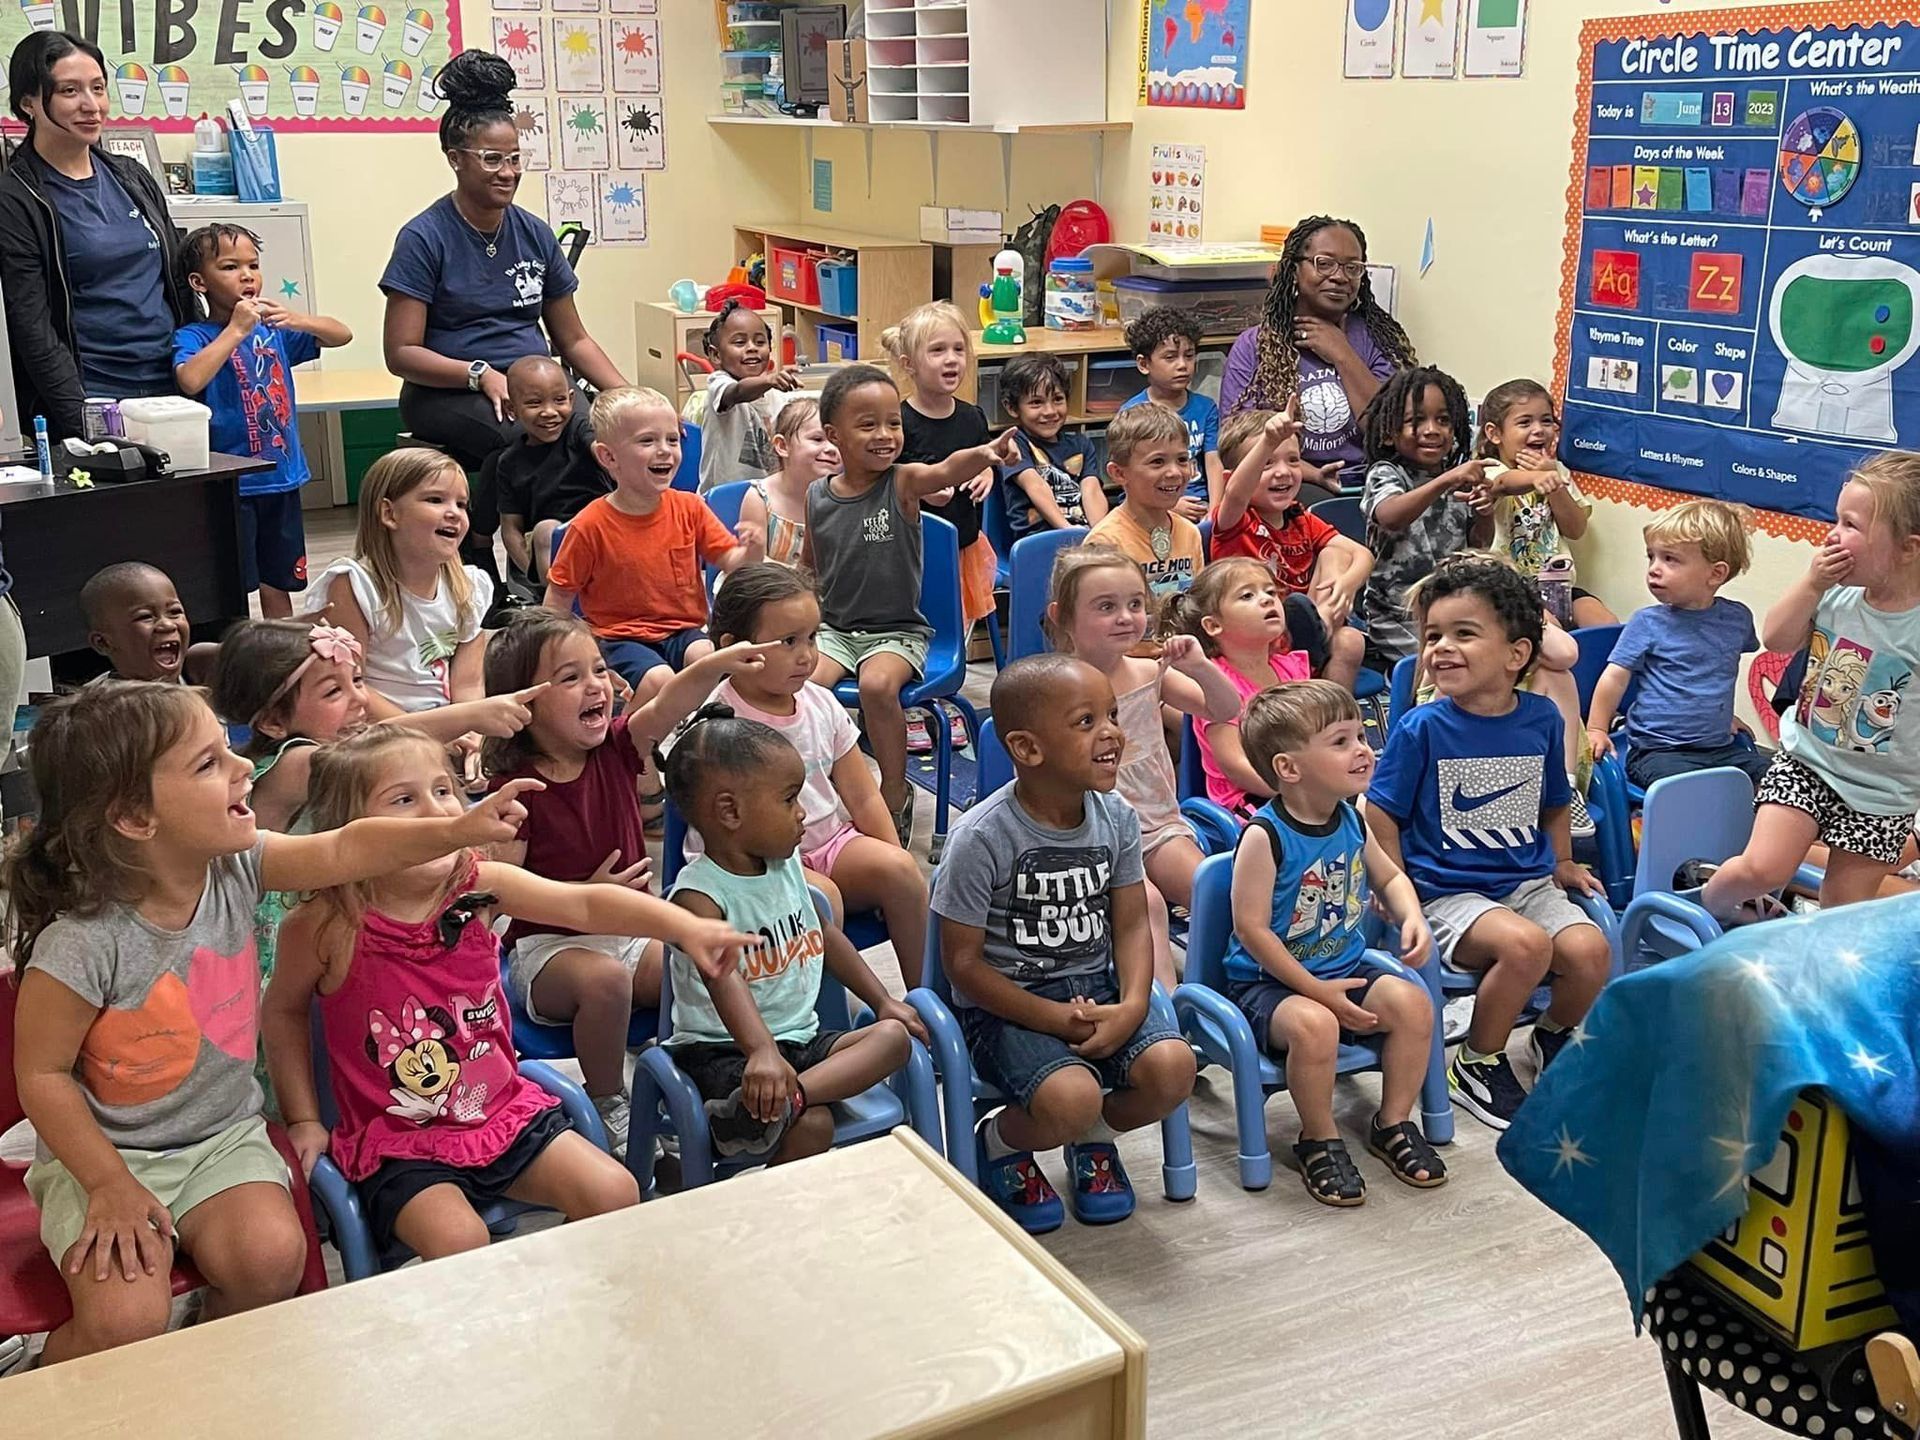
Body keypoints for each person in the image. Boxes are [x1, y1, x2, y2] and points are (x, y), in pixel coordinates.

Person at [4, 683, 538, 1361]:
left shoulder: (239, 865)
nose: (239, 768)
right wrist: (108, 1185)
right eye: (207, 763)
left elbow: (348, 848)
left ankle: (202, 1365)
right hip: (106, 1159)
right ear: (135, 816)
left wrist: (455, 831)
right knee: (124, 1320)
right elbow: (41, 1074)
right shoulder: (81, 944)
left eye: (228, 750)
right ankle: (41, 1392)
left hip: (222, 1141)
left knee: (271, 1259)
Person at [263, 726, 751, 1263]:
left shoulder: (479, 886)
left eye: (444, 791)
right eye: (404, 799)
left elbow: (585, 906)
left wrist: (683, 927)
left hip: (502, 1113)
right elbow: (282, 1013)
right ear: (350, 831)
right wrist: (305, 1119)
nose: (437, 812)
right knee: (461, 1242)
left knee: (616, 1192)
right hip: (401, 1142)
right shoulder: (325, 924)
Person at [480, 607, 774, 1153]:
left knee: (697, 961)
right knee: (604, 983)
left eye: (597, 670)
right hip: (551, 950)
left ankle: (707, 1071)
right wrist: (585, 895)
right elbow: (492, 902)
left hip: (633, 935)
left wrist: (719, 664)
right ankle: (609, 1097)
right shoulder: (516, 790)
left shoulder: (619, 748)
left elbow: (667, 704)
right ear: (522, 705)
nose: (596, 686)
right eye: (570, 678)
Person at [932, 655, 1196, 1235]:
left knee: (1174, 1069)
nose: (1111, 733)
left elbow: (1131, 924)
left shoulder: (1118, 816)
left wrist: (1131, 1004)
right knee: (1070, 1098)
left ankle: (1093, 1139)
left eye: (1111, 715)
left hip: (1100, 989)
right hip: (1012, 1006)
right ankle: (1002, 1144)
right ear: (1028, 749)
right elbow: (964, 966)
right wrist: (1051, 1016)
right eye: (1085, 722)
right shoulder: (981, 836)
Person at [1366, 560, 1613, 1131]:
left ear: (1516, 654)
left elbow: (1555, 798)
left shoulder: (1542, 717)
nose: (1441, 648)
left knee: (1591, 952)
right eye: (1433, 636)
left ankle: (1551, 1037)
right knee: (1526, 948)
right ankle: (1477, 1060)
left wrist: (1565, 863)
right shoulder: (1421, 727)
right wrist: (1394, 887)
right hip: (1445, 893)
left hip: (1526, 882)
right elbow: (1378, 812)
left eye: (1463, 634)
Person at [379, 50, 625, 575]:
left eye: (514, 158)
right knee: (523, 436)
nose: (508, 172)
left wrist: (625, 398)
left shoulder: (534, 231)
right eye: (492, 159)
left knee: (599, 435)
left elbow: (573, 339)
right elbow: (401, 353)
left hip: (535, 383)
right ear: (455, 157)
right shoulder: (425, 237)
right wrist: (478, 374)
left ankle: (577, 555)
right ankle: (486, 554)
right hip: (446, 391)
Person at [660, 706, 928, 1162]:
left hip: (800, 1043)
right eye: (789, 799)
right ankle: (769, 1121)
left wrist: (883, 1000)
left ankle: (788, 1100)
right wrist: (761, 1051)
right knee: (817, 1125)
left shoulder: (785, 867)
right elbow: (724, 978)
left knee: (892, 1038)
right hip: (723, 1054)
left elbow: (822, 934)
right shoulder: (698, 897)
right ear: (730, 811)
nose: (803, 814)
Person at [1225, 682, 1443, 1206]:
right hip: (1267, 986)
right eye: (1341, 741)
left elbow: (1390, 878)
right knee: (1317, 1027)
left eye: (1362, 735)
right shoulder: (1265, 836)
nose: (1363, 749)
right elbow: (1252, 931)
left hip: (1344, 968)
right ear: (1289, 768)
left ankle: (1392, 1123)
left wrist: (1412, 915)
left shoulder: (1350, 817)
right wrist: (1317, 993)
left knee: (1414, 1005)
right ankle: (1318, 1138)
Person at [802, 363, 1018, 845]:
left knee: (879, 686)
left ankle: (893, 791)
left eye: (892, 423)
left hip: (897, 631)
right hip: (835, 631)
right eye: (867, 425)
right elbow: (809, 566)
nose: (885, 435)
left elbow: (943, 470)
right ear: (834, 435)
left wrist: (983, 454)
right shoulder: (816, 495)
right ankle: (814, 791)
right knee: (801, 687)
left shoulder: (900, 484)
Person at [1702, 454, 1920, 923]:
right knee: (1762, 867)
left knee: (1841, 911)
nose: (1833, 534)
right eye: (1835, 518)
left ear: (1908, 548)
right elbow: (1776, 639)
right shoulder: (1836, 592)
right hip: (1808, 762)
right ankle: (1703, 910)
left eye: (1851, 524)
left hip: (1885, 794)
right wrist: (1811, 583)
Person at [708, 563, 932, 988]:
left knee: (902, 871)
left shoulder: (820, 703)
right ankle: (824, 1028)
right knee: (821, 899)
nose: (807, 654)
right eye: (789, 641)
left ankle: (932, 1007)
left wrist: (891, 852)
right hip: (754, 866)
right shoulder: (721, 719)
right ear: (734, 648)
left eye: (812, 637)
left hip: (827, 845)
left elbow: (863, 798)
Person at [1046, 545, 1241, 987]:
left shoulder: (1148, 671)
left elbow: (1226, 708)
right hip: (1089, 837)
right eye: (1106, 607)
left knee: (1213, 889)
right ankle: (1164, 1018)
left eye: (1135, 604)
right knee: (1148, 905)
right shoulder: (1052, 687)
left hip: (1155, 824)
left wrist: (1200, 666)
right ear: (1062, 615)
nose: (1125, 617)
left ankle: (1227, 990)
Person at [0, 30, 188, 442]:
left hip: (172, 391)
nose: (91, 105)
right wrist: (84, 422)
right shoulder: (16, 197)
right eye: (70, 91)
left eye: (98, 88)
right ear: (28, 103)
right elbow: (31, 325)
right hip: (97, 400)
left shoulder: (130, 176)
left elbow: (175, 280)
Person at [173, 223, 352, 620]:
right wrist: (235, 330)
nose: (247, 275)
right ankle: (237, 653)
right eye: (230, 267)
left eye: (253, 265)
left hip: (282, 477)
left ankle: (280, 647)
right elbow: (190, 378)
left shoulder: (274, 331)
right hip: (233, 484)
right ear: (199, 282)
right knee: (231, 582)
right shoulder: (196, 336)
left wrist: (298, 320)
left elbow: (343, 335)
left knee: (280, 577)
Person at [544, 385, 762, 694]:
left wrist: (752, 551)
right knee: (659, 679)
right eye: (647, 440)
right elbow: (558, 600)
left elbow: (732, 563)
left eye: (672, 439)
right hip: (618, 638)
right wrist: (560, 658)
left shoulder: (690, 507)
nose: (665, 450)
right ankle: (642, 737)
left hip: (684, 631)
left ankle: (694, 732)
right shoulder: (589, 525)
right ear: (608, 456)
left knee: (709, 660)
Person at [1219, 216, 1416, 486]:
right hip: (1285, 484)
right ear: (1294, 271)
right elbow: (1237, 445)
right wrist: (1312, 475)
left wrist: (1342, 353)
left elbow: (1389, 432)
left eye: (1352, 267)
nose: (1339, 277)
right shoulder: (1254, 346)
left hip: (1373, 485)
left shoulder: (1377, 340)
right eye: (1324, 264)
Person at [1587, 500, 1770, 790]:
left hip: (1718, 749)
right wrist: (1596, 727)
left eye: (1670, 559)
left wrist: (1720, 716)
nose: (1654, 569)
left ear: (1716, 574)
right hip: (1659, 752)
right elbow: (1614, 677)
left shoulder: (1737, 619)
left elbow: (1717, 671)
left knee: (1780, 783)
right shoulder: (1647, 622)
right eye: (1651, 557)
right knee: (1688, 792)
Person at [302, 448, 492, 714]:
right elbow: (350, 686)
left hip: (446, 724)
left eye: (461, 504)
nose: (454, 513)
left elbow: (469, 686)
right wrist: (426, 735)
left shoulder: (469, 587)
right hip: (377, 729)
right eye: (436, 500)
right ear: (389, 514)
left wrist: (471, 732)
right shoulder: (354, 585)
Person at [1212, 405, 1371, 689]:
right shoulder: (1235, 520)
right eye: (1266, 464)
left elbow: (1362, 554)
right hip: (1257, 635)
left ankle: (1333, 715)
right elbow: (1236, 492)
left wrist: (1346, 585)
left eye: (1293, 460)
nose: (1283, 473)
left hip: (1306, 629)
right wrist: (1268, 440)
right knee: (1308, 597)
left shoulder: (1301, 518)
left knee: (1351, 640)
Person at [1357, 365, 1494, 666]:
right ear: (1390, 434)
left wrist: (1485, 512)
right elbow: (1391, 516)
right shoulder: (1386, 473)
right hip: (1396, 615)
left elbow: (1479, 544)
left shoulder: (1456, 476)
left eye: (1443, 420)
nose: (1432, 430)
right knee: (1446, 666)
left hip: (1453, 608)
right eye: (1416, 421)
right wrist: (1447, 481)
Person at [888, 302, 1001, 643]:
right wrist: (920, 490)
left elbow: (986, 461)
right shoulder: (898, 422)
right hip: (913, 553)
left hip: (964, 545)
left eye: (958, 349)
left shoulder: (973, 417)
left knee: (956, 630)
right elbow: (884, 481)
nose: (951, 359)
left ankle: (951, 680)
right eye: (937, 351)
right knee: (921, 627)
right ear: (909, 364)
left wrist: (987, 475)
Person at [1170, 557, 1312, 818]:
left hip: (1297, 780)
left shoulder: (1291, 667)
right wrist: (1295, 787)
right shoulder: (1215, 684)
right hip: (1248, 800)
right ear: (1213, 625)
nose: (1268, 600)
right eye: (1247, 596)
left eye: (1270, 592)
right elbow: (1234, 765)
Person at [1477, 379, 1616, 629]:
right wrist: (1537, 477)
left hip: (1559, 586)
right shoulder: (1488, 469)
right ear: (1494, 433)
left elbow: (1575, 529)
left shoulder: (1556, 472)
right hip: (1510, 593)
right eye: (1525, 422)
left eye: (1546, 420)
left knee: (1606, 625)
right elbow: (1504, 484)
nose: (1539, 430)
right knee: (1552, 632)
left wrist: (1554, 484)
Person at [488, 355, 608, 587]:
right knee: (546, 531)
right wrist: (532, 575)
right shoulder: (509, 462)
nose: (549, 411)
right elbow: (511, 529)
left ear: (571, 401)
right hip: (552, 544)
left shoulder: (579, 428)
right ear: (512, 407)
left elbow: (600, 450)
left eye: (559, 400)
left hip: (599, 524)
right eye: (534, 403)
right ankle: (555, 602)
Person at [1086, 402, 1205, 598]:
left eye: (1182, 460)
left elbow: (1196, 605)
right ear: (1118, 473)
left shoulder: (1190, 533)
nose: (1175, 472)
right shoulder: (1105, 543)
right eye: (1157, 461)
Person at [1120, 306, 1221, 520]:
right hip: (1152, 506)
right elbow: (1130, 477)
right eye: (1170, 357)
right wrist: (1170, 506)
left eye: (1189, 356)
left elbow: (1213, 462)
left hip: (1200, 505)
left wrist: (1215, 512)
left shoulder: (1207, 408)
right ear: (1144, 364)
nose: (1182, 365)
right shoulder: (1132, 413)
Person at [997, 353, 1106, 538]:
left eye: (1057, 399)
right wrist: (1066, 530)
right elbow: (1036, 486)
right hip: (1039, 540)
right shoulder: (1015, 444)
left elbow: (1092, 490)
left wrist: (1099, 534)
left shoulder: (1082, 444)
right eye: (1036, 402)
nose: (1050, 411)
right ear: (1012, 408)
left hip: (1083, 539)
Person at [700, 298, 801, 492]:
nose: (752, 347)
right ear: (716, 355)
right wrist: (769, 380)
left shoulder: (776, 397)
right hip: (723, 500)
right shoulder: (718, 384)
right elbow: (737, 392)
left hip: (766, 496)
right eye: (740, 342)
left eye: (760, 342)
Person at [738, 396, 837, 569]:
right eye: (817, 439)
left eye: (836, 440)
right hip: (768, 589)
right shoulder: (759, 499)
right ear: (782, 446)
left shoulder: (842, 498)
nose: (831, 449)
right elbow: (752, 562)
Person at [80, 562, 206, 684]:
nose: (168, 625)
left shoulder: (204, 673)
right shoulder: (98, 703)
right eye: (145, 616)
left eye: (174, 611)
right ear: (103, 643)